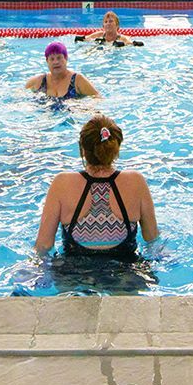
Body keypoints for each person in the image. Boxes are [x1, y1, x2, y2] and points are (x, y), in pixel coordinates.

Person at [34, 114, 159, 262]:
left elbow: (44, 245)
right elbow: (152, 239)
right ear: (116, 148)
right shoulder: (136, 182)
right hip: (125, 276)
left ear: (82, 150)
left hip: (73, 277)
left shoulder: (62, 183)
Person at [26, 42, 100, 100]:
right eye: (52, 59)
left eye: (59, 58)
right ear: (47, 61)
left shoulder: (77, 80)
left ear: (66, 58)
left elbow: (97, 98)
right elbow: (20, 95)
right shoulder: (39, 81)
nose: (56, 62)